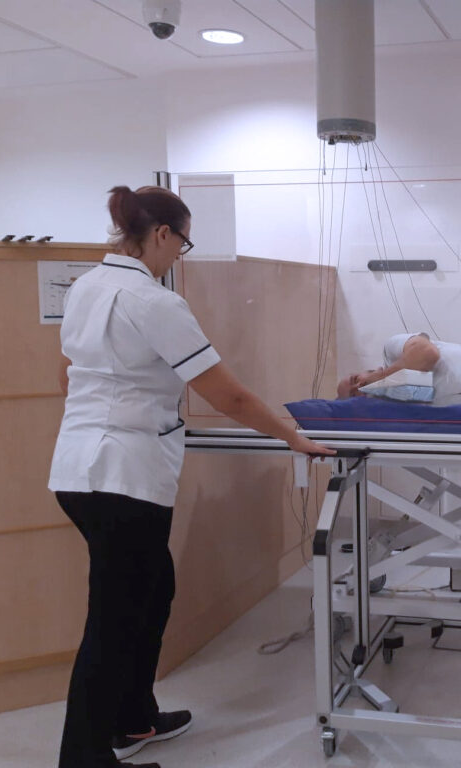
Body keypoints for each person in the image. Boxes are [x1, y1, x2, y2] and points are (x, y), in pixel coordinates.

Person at [48, 185, 334, 768]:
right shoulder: (154, 302)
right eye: (183, 241)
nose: (181, 252)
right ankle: (84, 756)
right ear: (161, 235)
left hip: (78, 470)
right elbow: (225, 392)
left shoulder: (85, 287)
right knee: (115, 615)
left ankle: (134, 717)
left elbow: (69, 373)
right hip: (123, 478)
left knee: (153, 592)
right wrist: (291, 437)